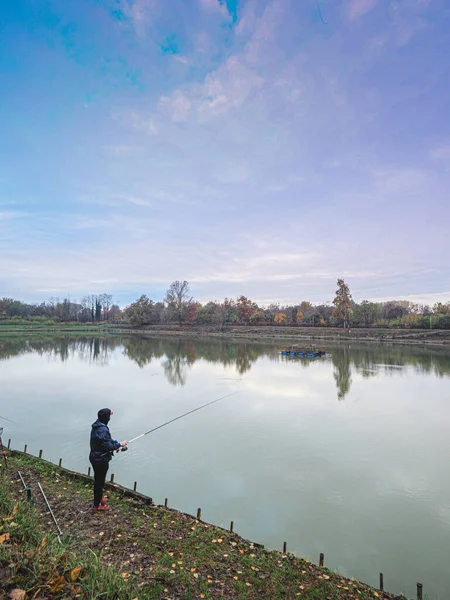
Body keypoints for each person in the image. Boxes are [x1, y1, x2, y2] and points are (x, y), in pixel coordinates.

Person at [89, 408, 127, 511]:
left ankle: (99, 498)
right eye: (109, 416)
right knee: (99, 482)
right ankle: (97, 505)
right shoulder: (103, 429)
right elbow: (107, 446)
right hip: (100, 460)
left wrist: (116, 445)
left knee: (98, 480)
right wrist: (120, 444)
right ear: (107, 417)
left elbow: (106, 442)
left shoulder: (97, 426)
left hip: (95, 457)